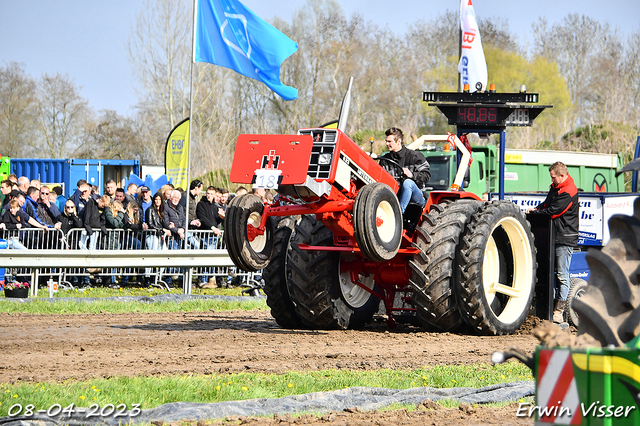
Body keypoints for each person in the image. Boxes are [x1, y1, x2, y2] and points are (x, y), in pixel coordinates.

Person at [526, 161, 579, 323]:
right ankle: (541, 307)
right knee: (544, 273)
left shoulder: (568, 191)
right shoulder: (555, 188)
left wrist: (539, 213)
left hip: (564, 238)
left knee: (562, 275)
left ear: (562, 175)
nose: (552, 180)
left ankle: (558, 311)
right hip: (551, 236)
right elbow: (547, 204)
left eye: (553, 177)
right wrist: (536, 210)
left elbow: (554, 211)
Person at [380, 127, 430, 213]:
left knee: (408, 183)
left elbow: (426, 176)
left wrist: (411, 175)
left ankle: (398, 214)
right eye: (386, 141)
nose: (387, 144)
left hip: (416, 197)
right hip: (394, 196)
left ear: (398, 141)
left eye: (389, 141)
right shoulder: (385, 160)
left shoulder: (415, 156)